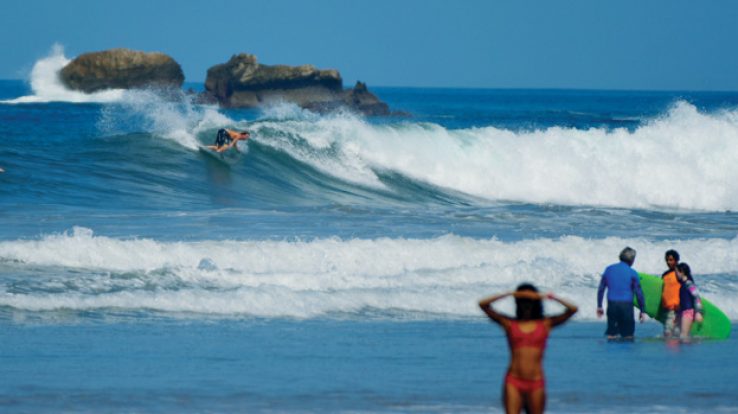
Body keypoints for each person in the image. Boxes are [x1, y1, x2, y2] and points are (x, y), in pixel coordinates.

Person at [479, 283, 578, 414]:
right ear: (517, 302)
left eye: (529, 301)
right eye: (523, 300)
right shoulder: (509, 323)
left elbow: (573, 309)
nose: (526, 304)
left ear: (535, 302)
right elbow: (483, 304)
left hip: (536, 382)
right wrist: (509, 293)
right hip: (513, 381)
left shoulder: (546, 324)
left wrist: (545, 296)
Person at [596, 247, 646, 340]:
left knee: (611, 335)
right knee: (628, 336)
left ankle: (610, 352)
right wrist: (642, 310)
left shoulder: (609, 269)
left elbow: (601, 289)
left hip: (612, 305)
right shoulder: (633, 273)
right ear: (632, 260)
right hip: (626, 306)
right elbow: (639, 292)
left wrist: (599, 306)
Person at [676, 262, 704, 341]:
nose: (676, 274)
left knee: (683, 336)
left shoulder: (689, 284)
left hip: (688, 311)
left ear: (682, 272)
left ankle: (687, 352)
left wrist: (698, 312)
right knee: (679, 334)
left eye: (677, 272)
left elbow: (697, 297)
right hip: (683, 311)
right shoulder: (683, 284)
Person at [661, 249, 681, 338]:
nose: (668, 262)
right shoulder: (664, 275)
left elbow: (689, 288)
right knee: (674, 332)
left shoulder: (680, 273)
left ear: (676, 260)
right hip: (667, 308)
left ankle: (672, 350)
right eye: (667, 260)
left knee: (668, 332)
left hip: (676, 308)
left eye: (671, 260)